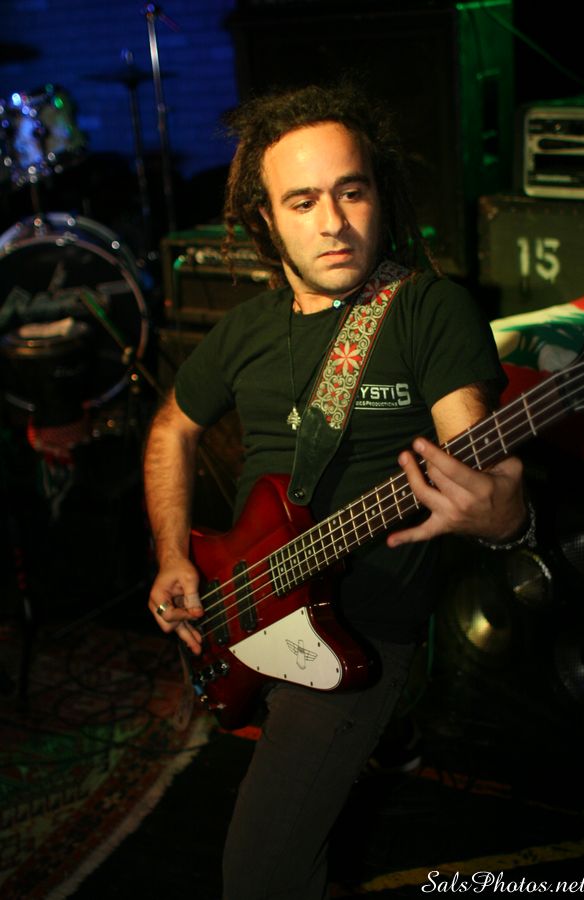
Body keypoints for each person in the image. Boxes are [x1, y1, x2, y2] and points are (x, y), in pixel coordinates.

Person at [143, 83, 529, 899]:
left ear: (379, 193)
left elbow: (480, 464)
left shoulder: (428, 309)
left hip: (361, 631)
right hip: (248, 602)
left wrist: (502, 515)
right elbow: (171, 426)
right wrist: (175, 553)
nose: (333, 222)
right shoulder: (246, 329)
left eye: (351, 192)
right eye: (303, 201)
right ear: (265, 219)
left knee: (259, 874)